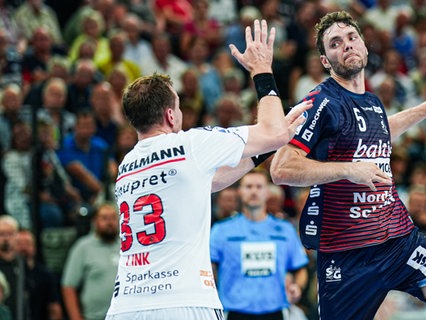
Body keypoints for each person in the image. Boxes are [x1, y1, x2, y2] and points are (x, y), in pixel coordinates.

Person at [270, 11, 426, 320]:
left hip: (399, 243)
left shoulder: (372, 101)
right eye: (335, 43)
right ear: (325, 60)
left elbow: (379, 131)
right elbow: (282, 168)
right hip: (347, 255)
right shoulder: (321, 102)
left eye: (352, 38)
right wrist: (349, 169)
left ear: (364, 45)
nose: (347, 46)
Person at [105, 19, 311, 320]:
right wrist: (261, 70)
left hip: (126, 306)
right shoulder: (190, 144)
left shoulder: (128, 165)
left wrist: (264, 148)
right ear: (170, 114)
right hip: (183, 300)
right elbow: (274, 131)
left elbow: (209, 182)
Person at [210, 169, 309, 319]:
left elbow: (300, 269)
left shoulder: (284, 230)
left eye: (259, 186)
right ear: (240, 192)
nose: (254, 191)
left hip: (275, 311)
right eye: (248, 187)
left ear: (268, 192)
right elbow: (210, 269)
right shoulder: (221, 230)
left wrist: (297, 287)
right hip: (234, 312)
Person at [61, 202, 120, 320]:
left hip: (125, 315)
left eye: (113, 218)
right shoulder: (83, 247)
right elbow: (68, 286)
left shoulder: (126, 245)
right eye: (104, 218)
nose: (109, 222)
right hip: (94, 317)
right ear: (94, 221)